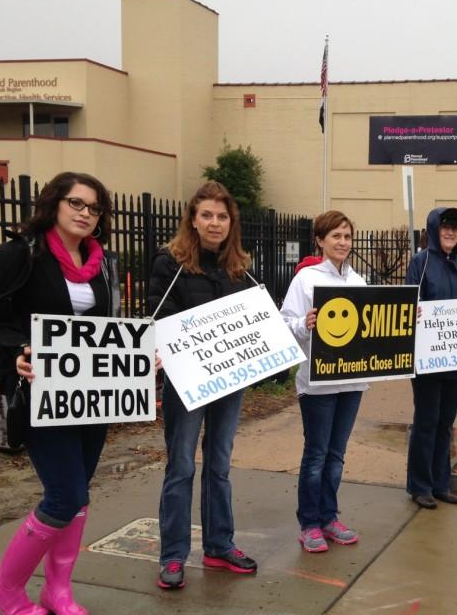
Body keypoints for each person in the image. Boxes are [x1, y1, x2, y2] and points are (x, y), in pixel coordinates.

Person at [0, 171, 116, 615]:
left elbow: (102, 328)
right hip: (39, 391)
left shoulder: (99, 262)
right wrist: (17, 351)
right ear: (54, 204)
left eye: (93, 207)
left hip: (91, 394)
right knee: (64, 494)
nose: (85, 213)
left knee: (80, 493)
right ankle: (5, 585)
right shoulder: (20, 253)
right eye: (76, 203)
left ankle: (58, 589)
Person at [148, 181, 257, 590]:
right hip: (186, 382)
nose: (215, 223)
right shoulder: (170, 262)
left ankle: (218, 545)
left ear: (232, 223)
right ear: (193, 219)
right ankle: (173, 555)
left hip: (230, 380)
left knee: (220, 465)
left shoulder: (240, 267)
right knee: (180, 466)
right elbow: (158, 318)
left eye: (222, 216)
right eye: (207, 215)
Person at [281, 210, 368, 553]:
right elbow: (286, 325)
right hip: (317, 385)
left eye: (347, 236)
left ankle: (330, 517)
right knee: (316, 455)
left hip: (352, 382)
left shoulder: (358, 282)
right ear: (320, 240)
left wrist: (406, 319)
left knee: (337, 454)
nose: (343, 242)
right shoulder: (306, 280)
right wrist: (305, 323)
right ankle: (310, 523)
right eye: (336, 236)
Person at [405, 207, 457, 509]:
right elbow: (406, 306)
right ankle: (420, 485)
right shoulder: (420, 263)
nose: (449, 232)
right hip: (427, 358)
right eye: (444, 227)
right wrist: (414, 310)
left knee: (446, 422)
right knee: (426, 421)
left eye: (455, 228)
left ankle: (440, 482)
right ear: (434, 230)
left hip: (456, 360)